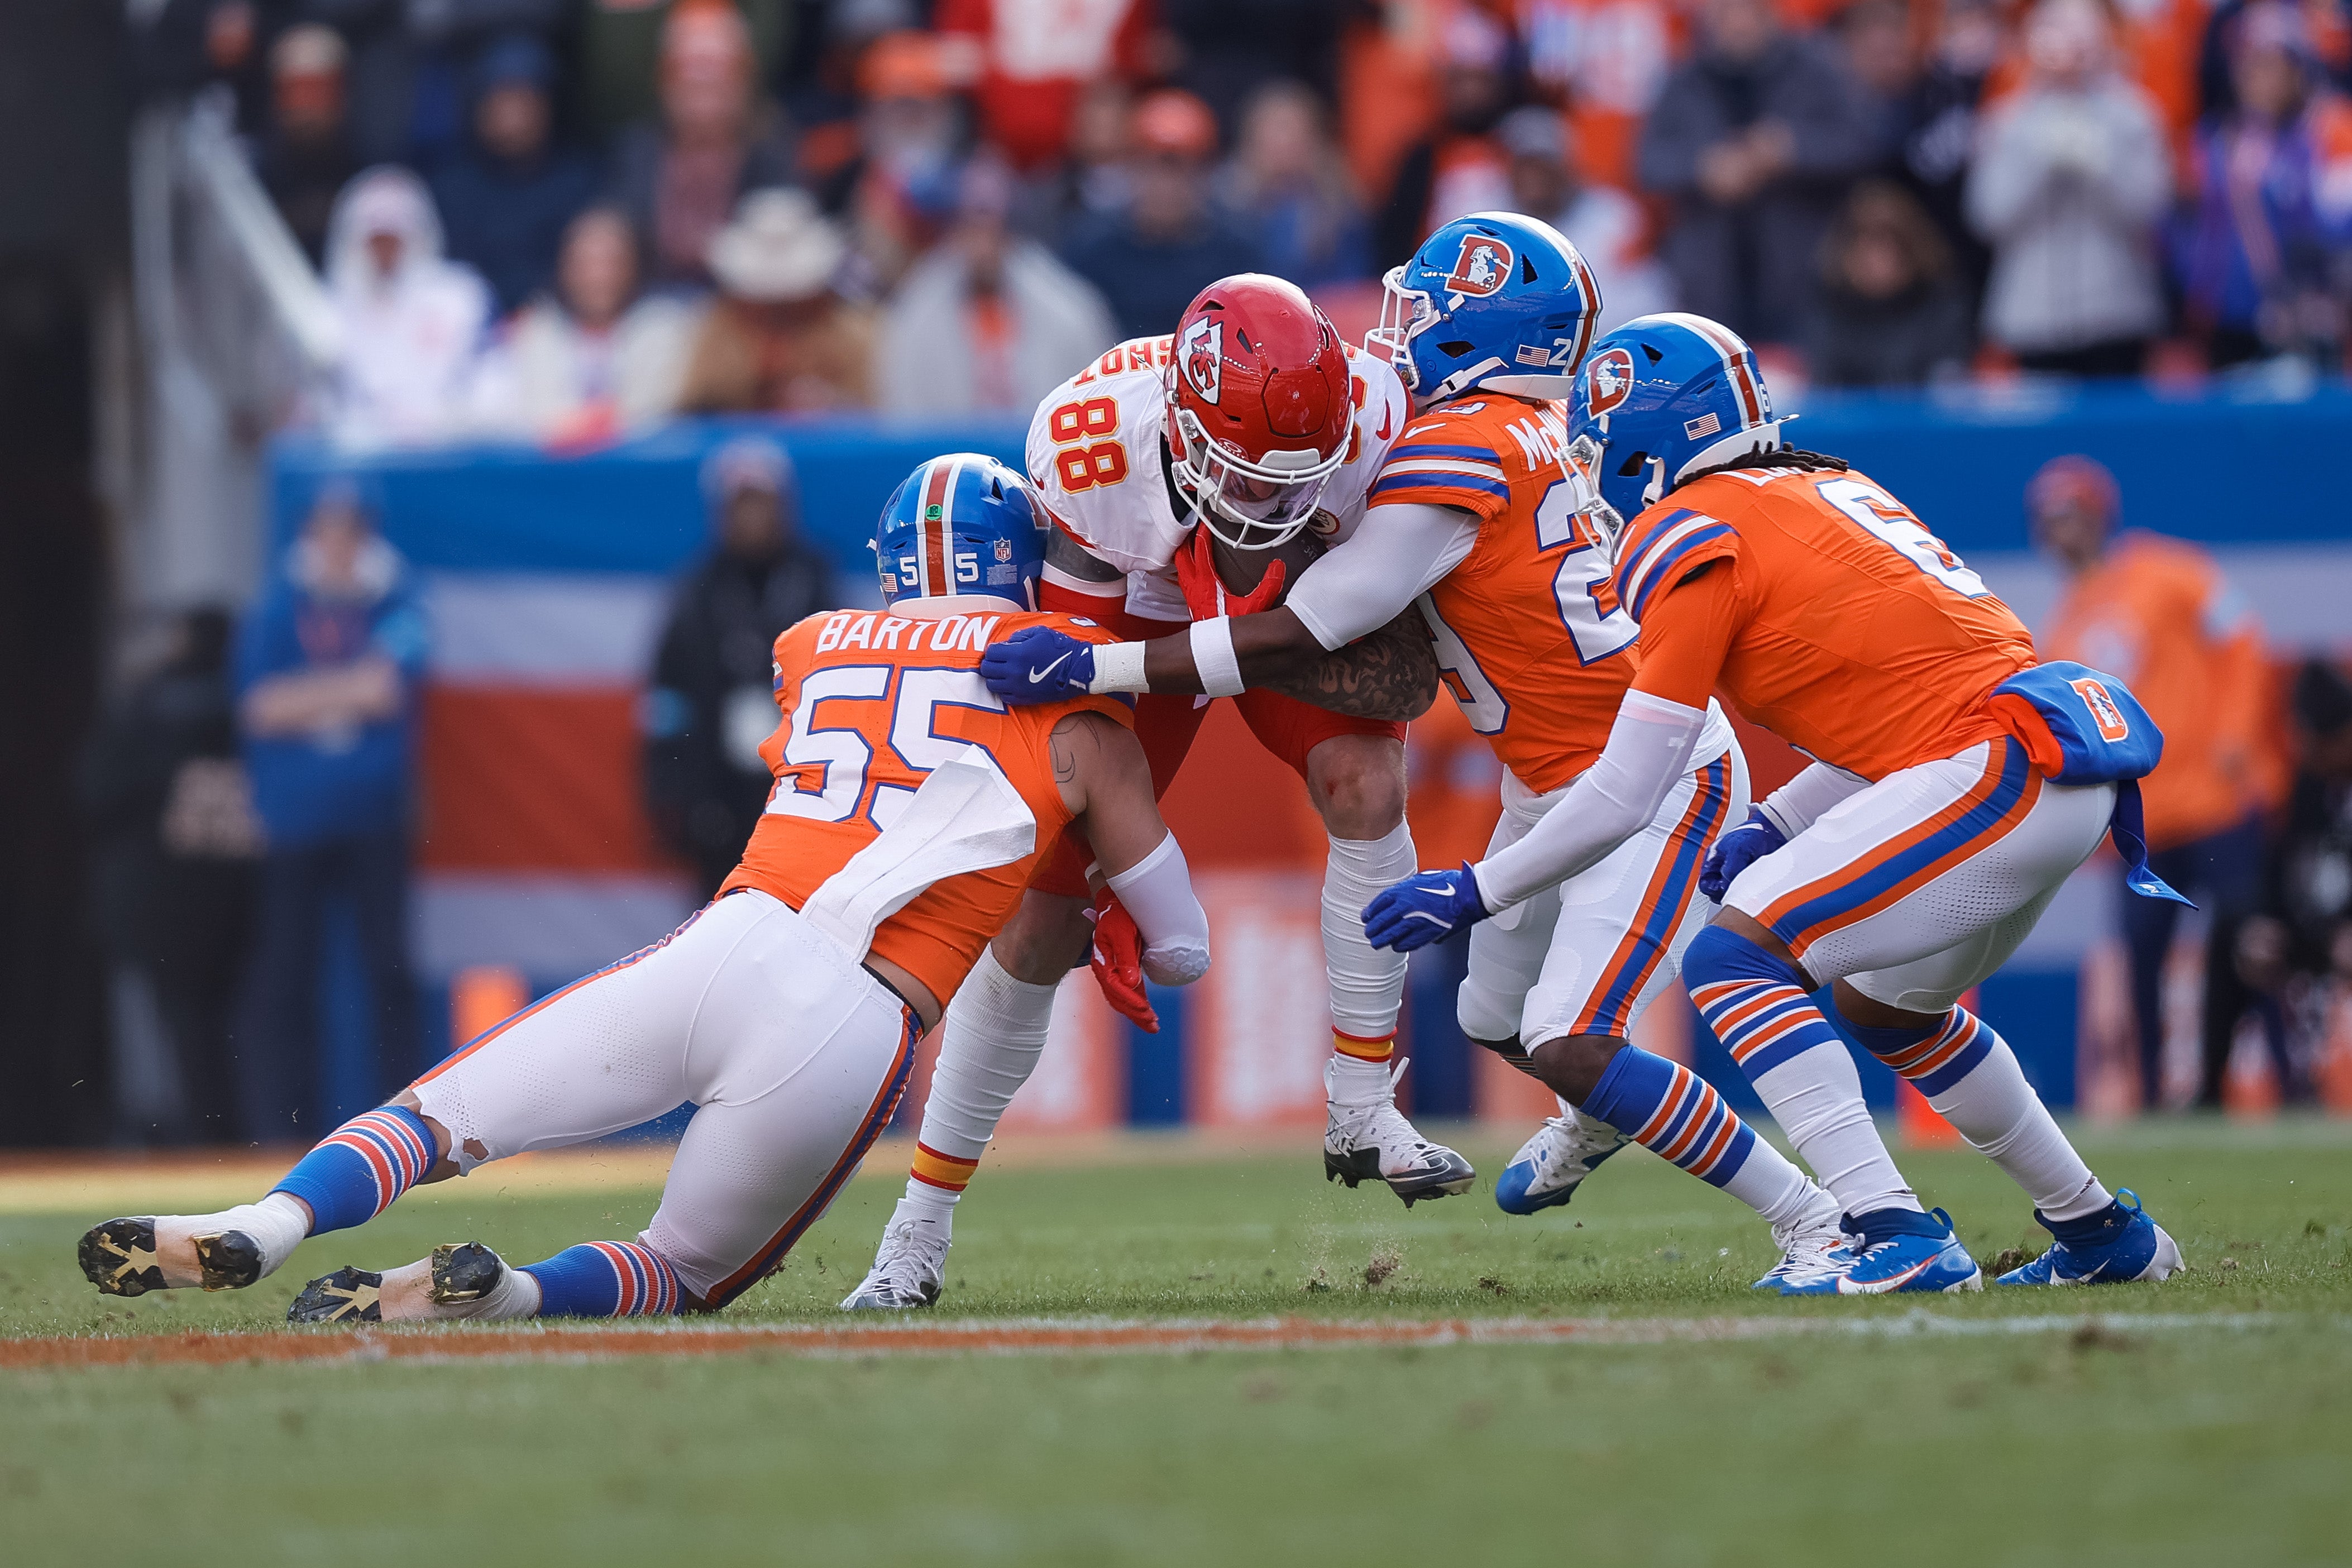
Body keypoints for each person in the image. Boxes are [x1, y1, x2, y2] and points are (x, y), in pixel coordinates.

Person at [78, 456, 1212, 1325]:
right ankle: (509, 1296)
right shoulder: (1081, 698)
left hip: (729, 944)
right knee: (679, 1271)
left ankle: (263, 1222)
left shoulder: (812, 642)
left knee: (439, 1118)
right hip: (860, 1016)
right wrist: (1097, 903)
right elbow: (1184, 947)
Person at [981, 219, 1846, 1290]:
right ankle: (1598, 1111)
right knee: (1492, 1014)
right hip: (1555, 771)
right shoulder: (1503, 427)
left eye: (1430, 310)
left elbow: (1305, 630)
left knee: (1572, 1035)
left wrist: (1096, 673)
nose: (1401, 329)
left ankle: (1819, 1218)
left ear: (1478, 338)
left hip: (1648, 773)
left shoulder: (1447, 450)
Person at [1371, 310, 2186, 1293]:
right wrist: (1778, 819)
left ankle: (1892, 1230)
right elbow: (1900, 708)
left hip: (1994, 767)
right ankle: (2102, 1234)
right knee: (1889, 1008)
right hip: (2039, 764)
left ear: (1647, 436)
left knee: (1734, 957)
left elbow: (1629, 787)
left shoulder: (1694, 525)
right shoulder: (1823, 484)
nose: (1593, 463)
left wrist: (1478, 888)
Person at [839, 275, 1456, 1312]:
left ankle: (1362, 1103)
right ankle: (916, 1231)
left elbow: (1397, 671)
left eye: (1292, 481)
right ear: (1181, 423)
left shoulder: (1371, 415)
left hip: (1280, 618)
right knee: (1039, 919)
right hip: (1135, 623)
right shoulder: (1093, 451)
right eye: (1248, 478)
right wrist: (1109, 872)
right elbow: (1090, 683)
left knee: (1367, 780)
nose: (1271, 503)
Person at [2031, 454, 2279, 1108]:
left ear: (2099, 515)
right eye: (2050, 521)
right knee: (2141, 966)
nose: (2062, 532)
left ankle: (2283, 1081)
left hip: (2216, 801)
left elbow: (2244, 642)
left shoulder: (2169, 571)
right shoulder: (2065, 626)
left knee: (2249, 944)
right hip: (2144, 823)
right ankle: (2156, 1103)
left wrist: (2236, 735)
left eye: (2072, 516)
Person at [232, 482, 429, 1140]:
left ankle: (399, 1129)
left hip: (374, 816)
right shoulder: (279, 606)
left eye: (352, 531)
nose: (340, 545)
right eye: (329, 529)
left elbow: (387, 690)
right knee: (287, 977)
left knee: (388, 973)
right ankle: (285, 1129)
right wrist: (344, 690)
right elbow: (260, 706)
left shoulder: (395, 599)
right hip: (296, 821)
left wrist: (305, 696)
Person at [76, 608, 262, 1145]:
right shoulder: (253, 703)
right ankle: (234, 1134)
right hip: (237, 898)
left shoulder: (147, 706)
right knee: (235, 1025)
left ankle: (206, 1139)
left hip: (159, 901)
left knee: (184, 1024)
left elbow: (93, 790)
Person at [644, 436, 840, 899]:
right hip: (717, 790)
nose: (753, 518)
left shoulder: (813, 582)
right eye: (741, 505)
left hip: (796, 785)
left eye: (763, 503)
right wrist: (667, 789)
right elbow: (666, 700)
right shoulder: (696, 593)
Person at [1636, 0, 1879, 344]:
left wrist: (1790, 148)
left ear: (1771, 15)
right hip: (1710, 273)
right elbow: (1648, 163)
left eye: (1747, 12)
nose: (1737, 25)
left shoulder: (1816, 69)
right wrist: (1704, 168)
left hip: (1804, 272)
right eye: (1726, 15)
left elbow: (1860, 144)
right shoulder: (1684, 79)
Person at [1967, 0, 2172, 376]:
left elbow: (2150, 209)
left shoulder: (2134, 114)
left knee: (2116, 428)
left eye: (2080, 44)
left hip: (2116, 314)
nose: (2068, 57)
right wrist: (2039, 165)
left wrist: (2100, 166)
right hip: (2033, 319)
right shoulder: (2006, 121)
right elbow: (1988, 216)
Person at [2172, 2, 2352, 370]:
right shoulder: (2212, 140)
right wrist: (2198, 284)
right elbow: (2186, 222)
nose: (2262, 78)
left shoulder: (2320, 136)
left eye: (2275, 67)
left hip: (2299, 311)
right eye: (2253, 66)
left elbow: (2331, 227)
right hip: (2225, 312)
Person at [877, 155, 1118, 416]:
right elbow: (903, 417)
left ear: (1011, 231)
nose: (982, 247)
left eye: (992, 230)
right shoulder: (915, 314)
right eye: (971, 229)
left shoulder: (1069, 310)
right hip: (947, 452)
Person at [608, 0, 798, 290]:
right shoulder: (637, 150)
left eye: (718, 71)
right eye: (687, 70)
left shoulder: (772, 152)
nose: (703, 86)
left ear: (744, 80)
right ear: (664, 81)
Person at [468, 206, 700, 442]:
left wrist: (594, 424)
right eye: (586, 263)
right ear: (565, 269)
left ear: (634, 266)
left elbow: (654, 410)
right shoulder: (535, 330)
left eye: (611, 263)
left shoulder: (664, 328)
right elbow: (530, 416)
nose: (598, 277)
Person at [1062, 90, 1264, 342]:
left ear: (1204, 174)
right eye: (1153, 168)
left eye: (1178, 171)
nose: (1165, 186)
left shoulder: (1237, 255)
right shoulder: (1092, 249)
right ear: (1132, 168)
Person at [428, 32, 601, 318]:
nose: (513, 115)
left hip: (559, 326)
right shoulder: (450, 189)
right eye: (502, 101)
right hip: (467, 325)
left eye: (524, 100)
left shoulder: (579, 183)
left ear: (547, 108)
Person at [321, 166, 493, 447]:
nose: (386, 250)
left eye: (395, 237)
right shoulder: (325, 311)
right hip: (360, 456)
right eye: (376, 239)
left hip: (447, 450)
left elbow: (486, 378)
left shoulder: (461, 297)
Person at [676, 188, 877, 412]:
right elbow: (688, 412)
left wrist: (836, 406)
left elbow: (881, 415)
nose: (776, 315)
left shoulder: (856, 335)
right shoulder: (715, 332)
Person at [1496, 106, 1674, 331]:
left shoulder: (1613, 216)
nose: (1534, 177)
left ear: (1567, 166)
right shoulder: (1486, 212)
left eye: (1544, 165)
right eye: (1524, 166)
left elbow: (1646, 301)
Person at [1374, 8, 1518, 268]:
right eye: (1460, 80)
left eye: (1480, 80)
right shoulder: (1421, 156)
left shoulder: (1522, 145)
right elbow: (1395, 237)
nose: (1470, 93)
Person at [1805, 180, 1973, 387]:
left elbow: (1947, 383)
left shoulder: (1944, 307)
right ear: (1846, 249)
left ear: (1913, 249)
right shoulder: (1826, 307)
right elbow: (1822, 383)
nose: (1879, 260)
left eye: (1890, 245)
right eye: (1868, 244)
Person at [1215, 80, 1372, 291]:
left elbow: (1353, 288)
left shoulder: (1340, 211)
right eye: (1275, 130)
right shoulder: (1221, 208)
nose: (1284, 143)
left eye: (1292, 130)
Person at [254, 22, 361, 267]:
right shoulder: (256, 172)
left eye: (316, 90)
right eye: (294, 90)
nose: (305, 106)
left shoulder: (365, 169)